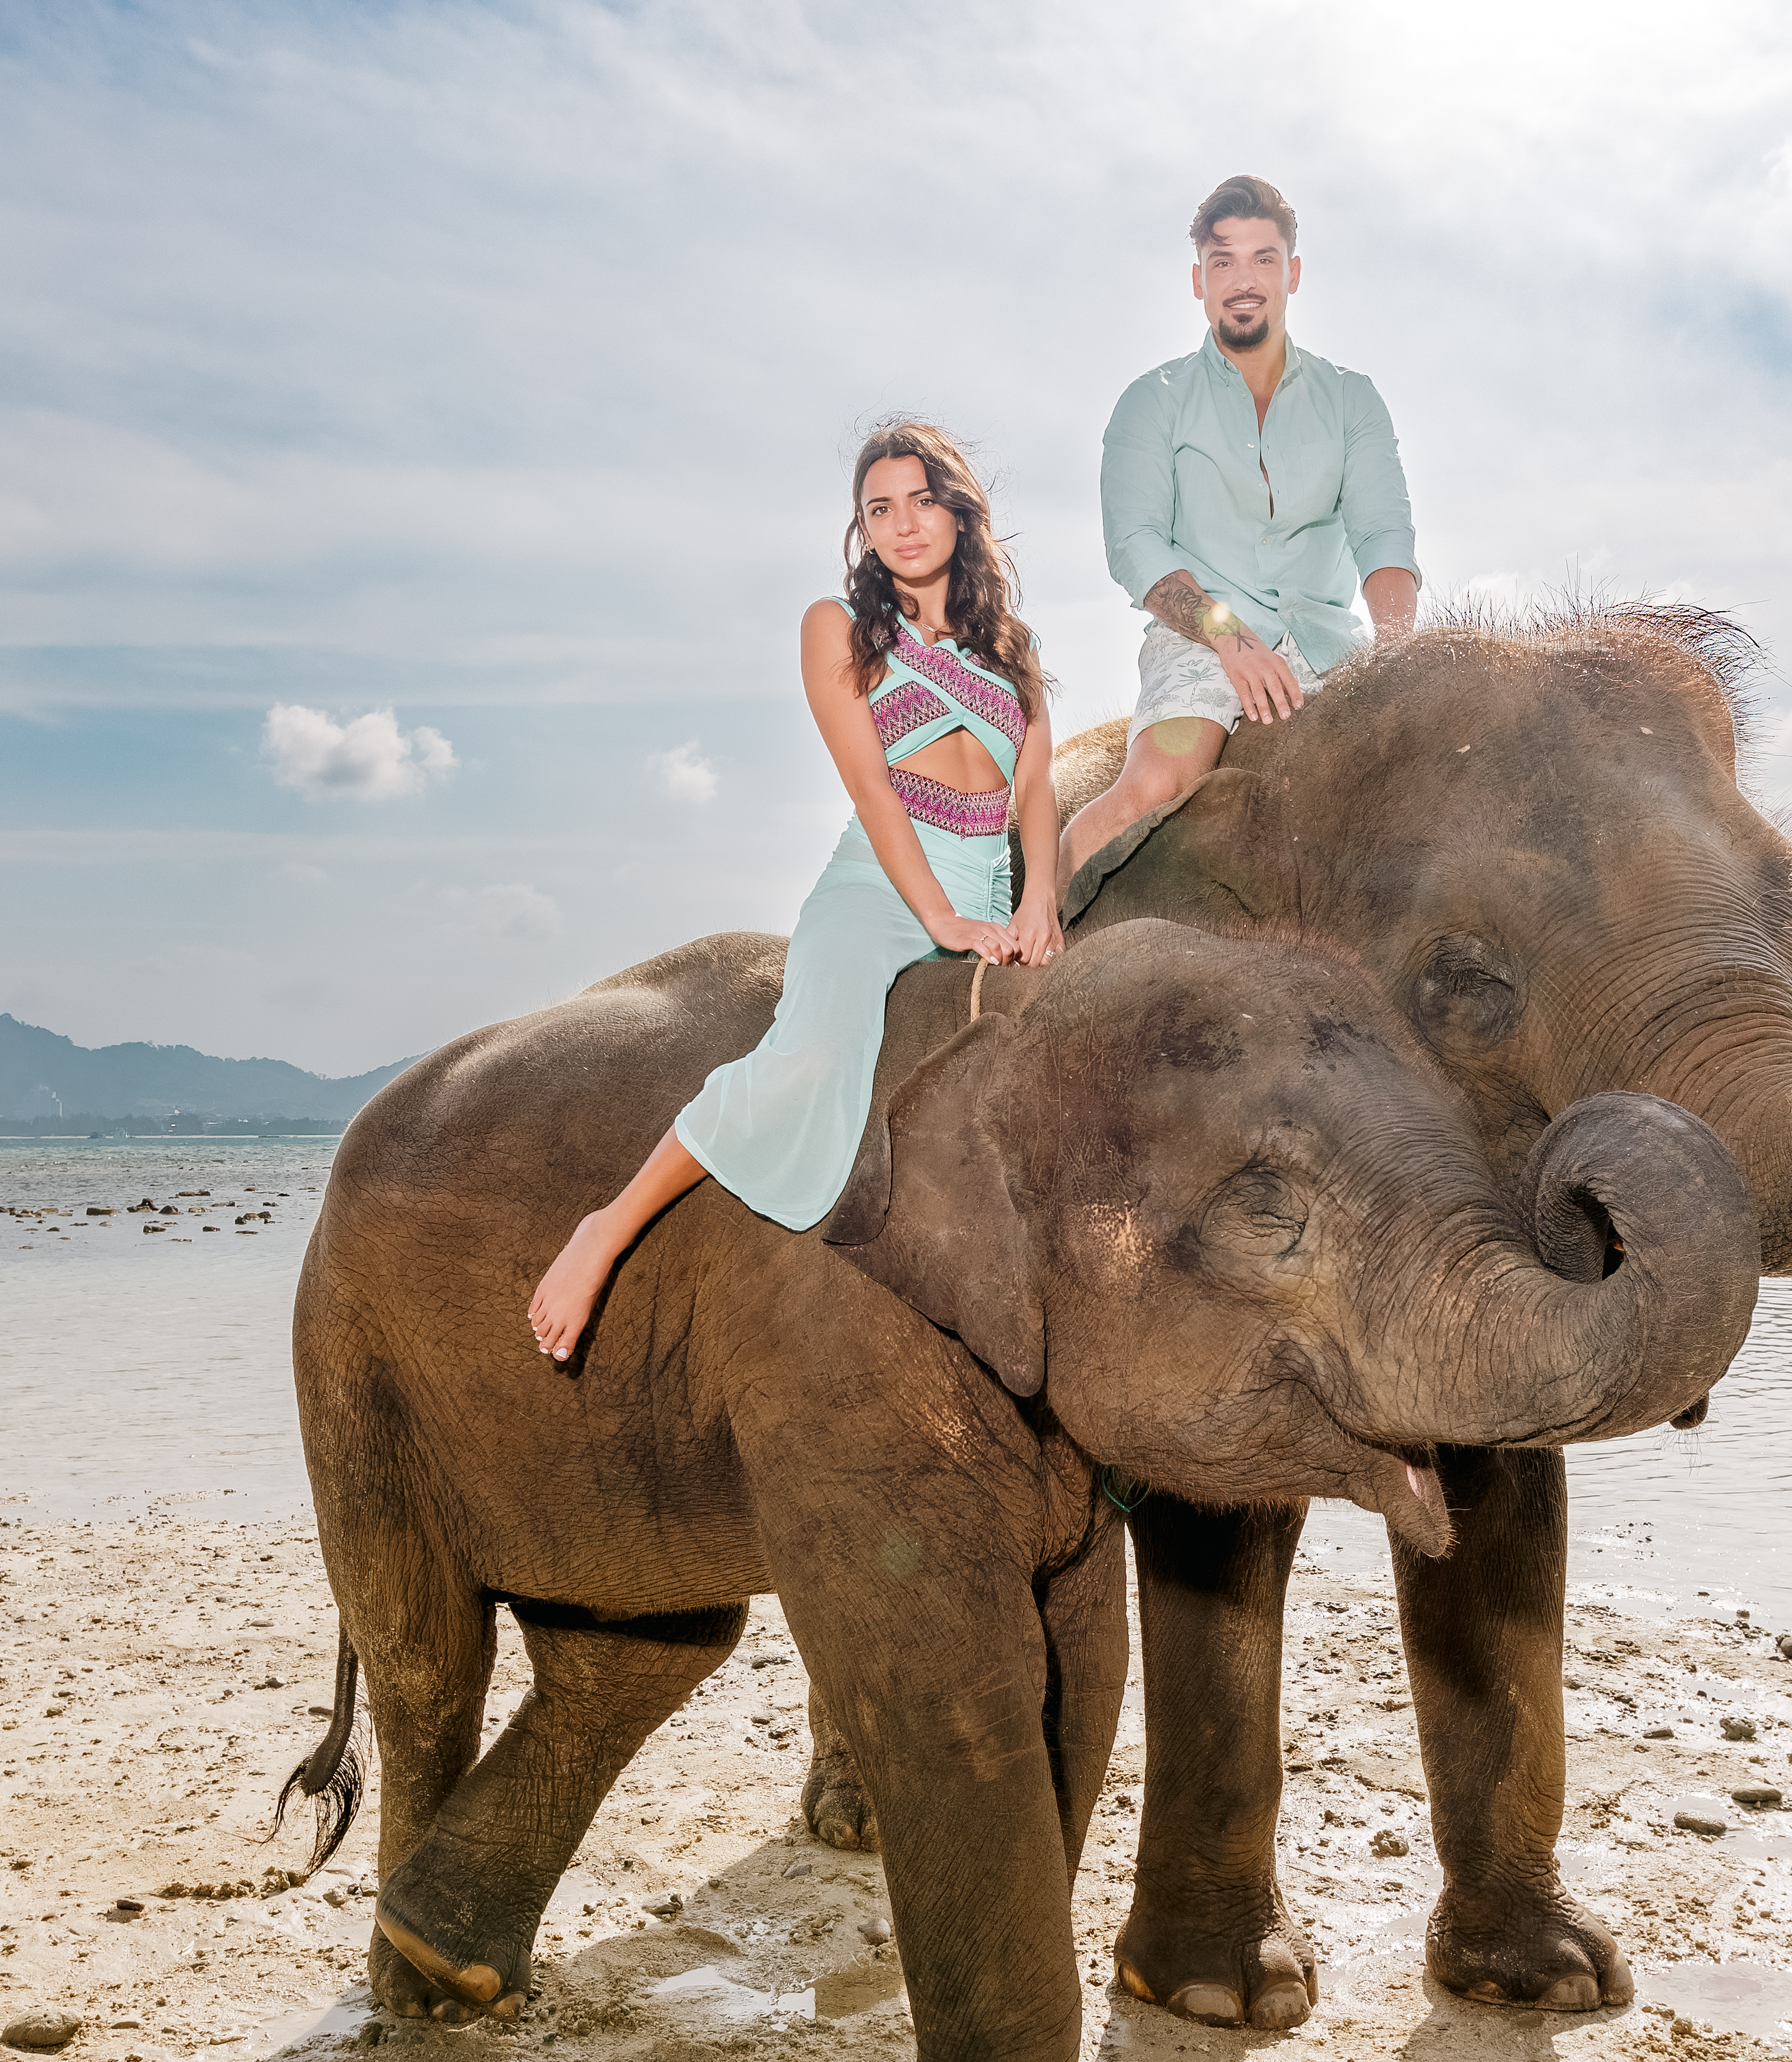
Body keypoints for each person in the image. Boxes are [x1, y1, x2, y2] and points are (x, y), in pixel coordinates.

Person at [525, 420, 1063, 1365]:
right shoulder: (842, 628)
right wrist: (939, 918)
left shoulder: (1011, 649)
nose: (903, 525)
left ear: (959, 512)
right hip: (881, 887)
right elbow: (870, 787)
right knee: (811, 1056)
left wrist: (1039, 903)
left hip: (991, 882)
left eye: (922, 501)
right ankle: (606, 1229)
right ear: (861, 530)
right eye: (879, 509)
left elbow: (1036, 793)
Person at [1060, 174, 1418, 875]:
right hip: (1203, 641)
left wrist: (1401, 660)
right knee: (1153, 789)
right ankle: (1039, 935)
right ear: (1199, 280)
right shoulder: (1151, 402)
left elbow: (1384, 535)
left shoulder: (1352, 400)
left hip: (1330, 649)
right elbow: (1134, 544)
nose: (1243, 279)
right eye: (1223, 261)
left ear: (1293, 272)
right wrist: (1232, 638)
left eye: (1263, 259)